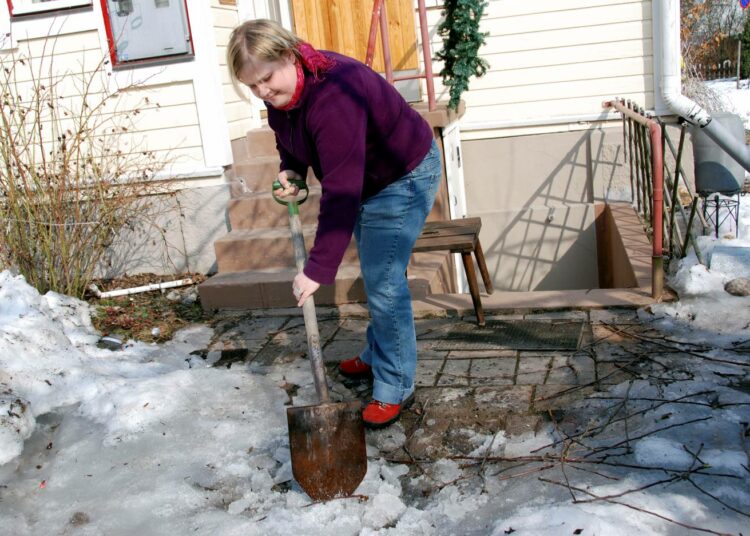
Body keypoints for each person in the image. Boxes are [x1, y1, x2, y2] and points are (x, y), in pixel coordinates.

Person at [227, 19, 440, 428]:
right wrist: (292, 169)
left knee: (384, 279)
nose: (264, 93)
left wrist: (317, 270)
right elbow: (290, 135)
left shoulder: (334, 95)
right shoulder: (285, 95)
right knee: (379, 273)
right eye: (252, 87)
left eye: (268, 80)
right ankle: (379, 352)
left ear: (290, 57)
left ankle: (395, 383)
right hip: (365, 180)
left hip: (401, 175)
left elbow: (341, 194)